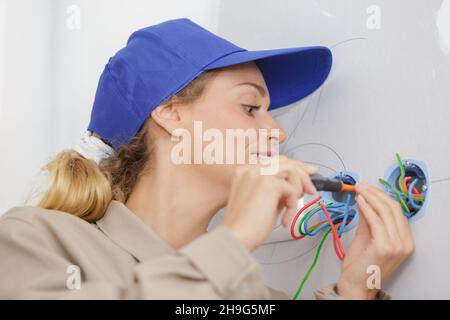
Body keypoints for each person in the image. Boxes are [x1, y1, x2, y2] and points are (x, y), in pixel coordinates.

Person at [0, 18, 414, 299]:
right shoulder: (35, 240)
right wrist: (233, 241)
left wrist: (355, 287)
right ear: (170, 113)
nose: (278, 133)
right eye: (251, 107)